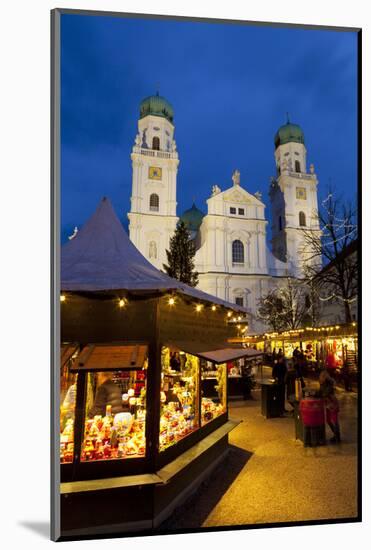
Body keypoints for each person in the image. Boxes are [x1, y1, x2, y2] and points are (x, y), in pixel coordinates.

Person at [319, 369, 341, 443]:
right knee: (328, 420)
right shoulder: (323, 384)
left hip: (332, 403)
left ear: (325, 377)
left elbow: (325, 393)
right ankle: (335, 435)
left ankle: (337, 437)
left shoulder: (329, 384)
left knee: (334, 421)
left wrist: (321, 394)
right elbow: (321, 392)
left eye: (322, 376)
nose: (320, 378)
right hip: (328, 404)